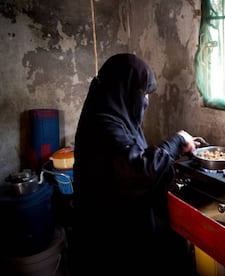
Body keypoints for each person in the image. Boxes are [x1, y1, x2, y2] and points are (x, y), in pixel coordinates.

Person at [71, 53, 205, 275]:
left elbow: (132, 152)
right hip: (108, 238)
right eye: (142, 93)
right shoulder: (104, 126)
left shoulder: (110, 114)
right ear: (122, 90)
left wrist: (174, 151)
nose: (146, 101)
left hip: (118, 225)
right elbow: (136, 169)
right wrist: (176, 140)